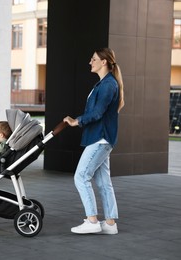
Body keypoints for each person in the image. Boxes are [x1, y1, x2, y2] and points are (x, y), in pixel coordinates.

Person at [63, 47, 124, 235]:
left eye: (94, 59)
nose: (90, 62)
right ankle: (110, 223)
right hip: (101, 138)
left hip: (100, 138)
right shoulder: (104, 83)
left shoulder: (107, 85)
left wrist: (77, 121)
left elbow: (97, 113)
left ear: (104, 62)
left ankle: (92, 220)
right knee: (104, 182)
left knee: (81, 176)